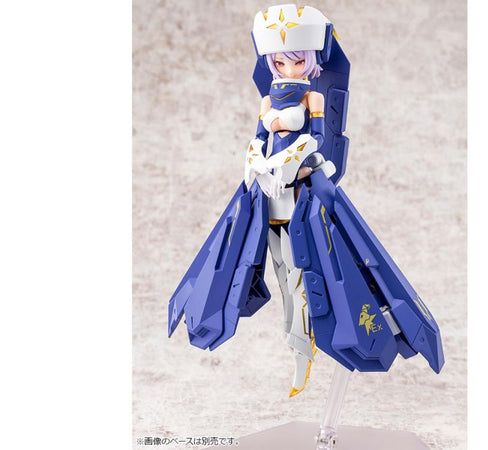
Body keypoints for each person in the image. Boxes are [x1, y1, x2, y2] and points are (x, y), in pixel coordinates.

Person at [168, 4, 444, 399]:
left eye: (297, 60)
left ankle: (304, 347)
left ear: (312, 61)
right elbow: (258, 141)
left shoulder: (313, 97)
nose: (288, 67)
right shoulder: (268, 101)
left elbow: (316, 140)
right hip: (267, 201)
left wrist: (290, 162)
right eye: (280, 61)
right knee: (280, 276)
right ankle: (296, 343)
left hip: (302, 200)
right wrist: (256, 162)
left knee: (307, 278)